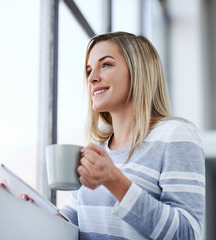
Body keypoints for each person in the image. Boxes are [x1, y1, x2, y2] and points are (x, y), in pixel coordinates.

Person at [56, 32, 205, 240]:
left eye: (105, 65)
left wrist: (114, 180)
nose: (91, 78)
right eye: (89, 70)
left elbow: (187, 234)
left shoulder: (175, 135)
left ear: (138, 71)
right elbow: (72, 217)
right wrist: (31, 211)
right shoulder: (97, 147)